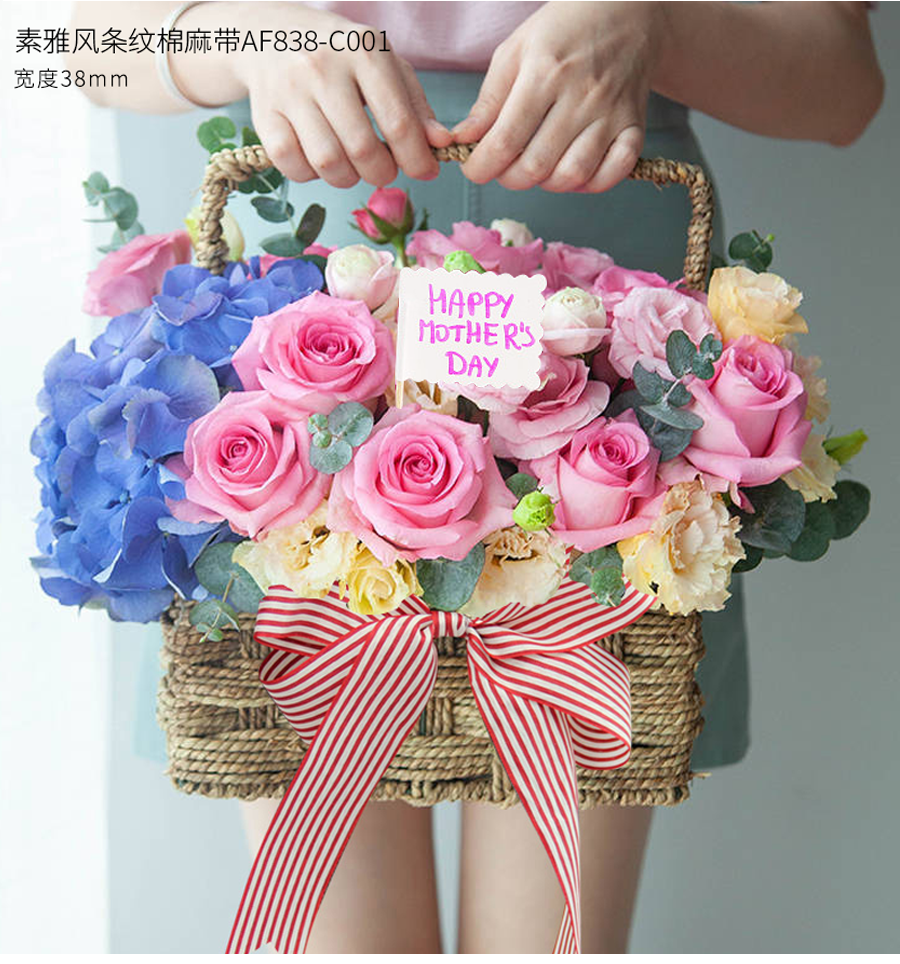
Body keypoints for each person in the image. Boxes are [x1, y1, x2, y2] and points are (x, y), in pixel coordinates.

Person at [68, 1, 883, 954]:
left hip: (611, 297)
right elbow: (86, 44)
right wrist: (250, 36)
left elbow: (843, 84)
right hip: (303, 276)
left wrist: (652, 26)